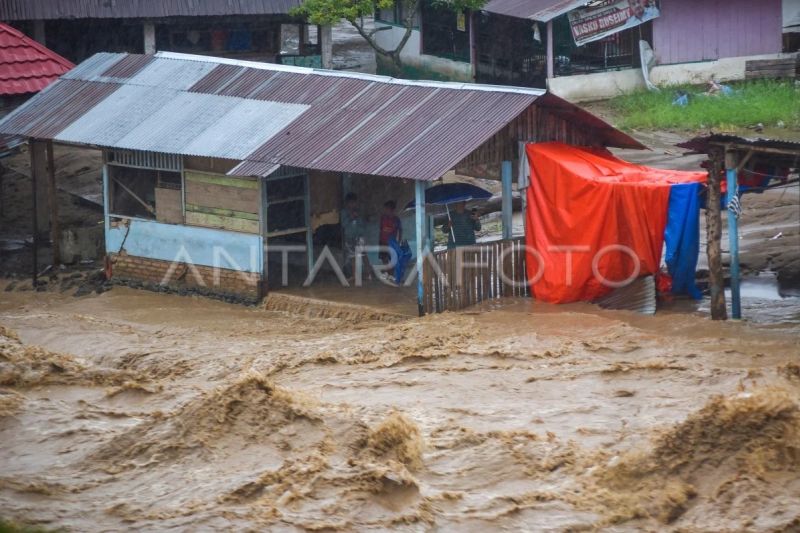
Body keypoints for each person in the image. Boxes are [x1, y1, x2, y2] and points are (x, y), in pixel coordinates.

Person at [340, 192, 364, 281]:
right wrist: (351, 217)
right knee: (352, 256)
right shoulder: (344, 212)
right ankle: (354, 275)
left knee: (361, 255)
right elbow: (344, 224)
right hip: (349, 236)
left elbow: (362, 224)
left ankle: (364, 274)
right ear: (347, 203)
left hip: (359, 236)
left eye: (354, 202)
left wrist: (356, 217)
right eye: (350, 202)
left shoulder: (358, 212)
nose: (352, 205)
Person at [378, 200, 402, 266]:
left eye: (386, 209)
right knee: (384, 258)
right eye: (385, 209)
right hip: (383, 242)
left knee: (391, 259)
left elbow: (400, 230)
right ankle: (387, 273)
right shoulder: (383, 218)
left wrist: (399, 241)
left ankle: (391, 273)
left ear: (391, 210)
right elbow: (381, 229)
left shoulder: (396, 220)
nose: (385, 210)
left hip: (391, 243)